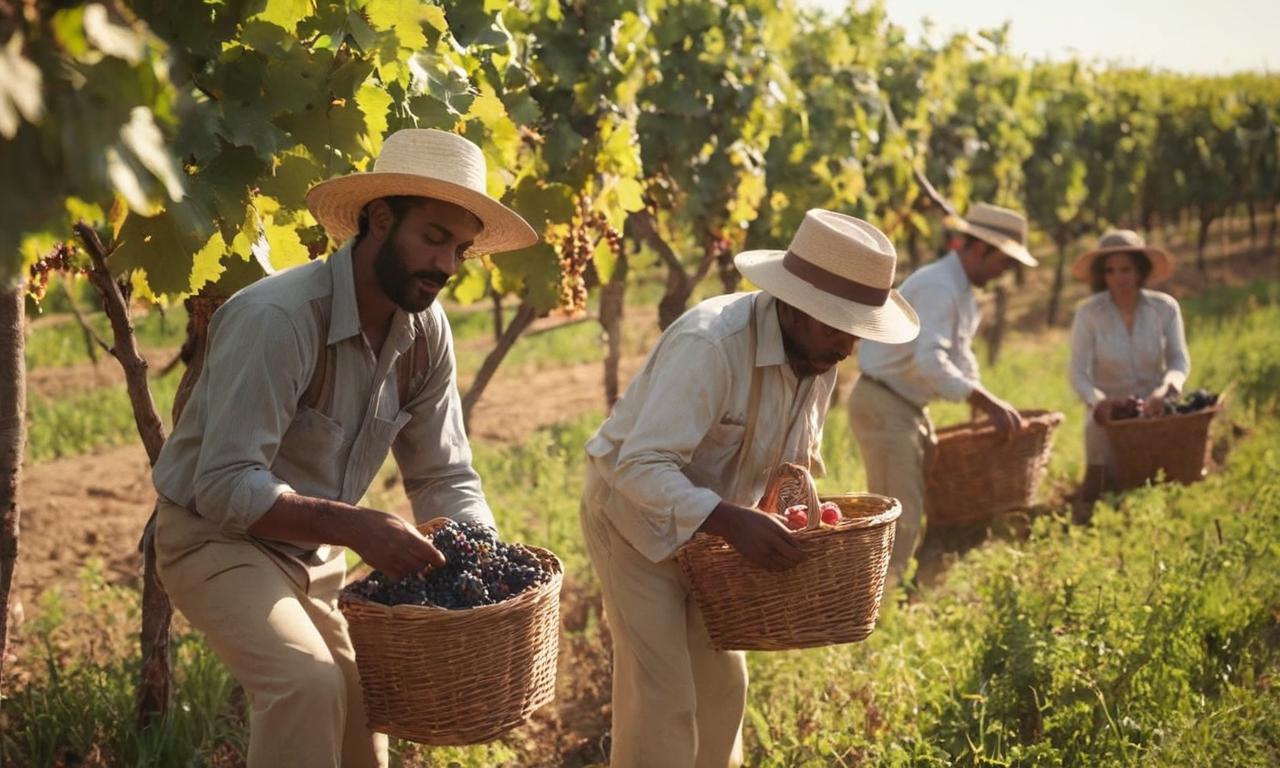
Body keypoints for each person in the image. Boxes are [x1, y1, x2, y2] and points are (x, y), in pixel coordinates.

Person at [150, 128, 538, 768]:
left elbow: (443, 472)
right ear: (380, 221)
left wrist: (482, 568)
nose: (446, 265)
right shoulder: (279, 318)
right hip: (215, 539)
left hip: (316, 553)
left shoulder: (425, 332)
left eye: (461, 250)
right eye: (434, 238)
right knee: (306, 685)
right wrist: (355, 524)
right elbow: (223, 485)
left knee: (366, 709)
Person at [580, 209, 920, 768]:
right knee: (663, 697)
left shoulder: (819, 355)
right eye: (838, 326)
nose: (847, 347)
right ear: (792, 304)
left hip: (715, 541)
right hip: (633, 519)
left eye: (855, 330)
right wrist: (732, 521)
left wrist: (790, 517)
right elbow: (641, 465)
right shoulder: (711, 345)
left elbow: (792, 461)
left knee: (722, 687)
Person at [849, 202, 1038, 583]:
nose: (1006, 272)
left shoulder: (964, 292)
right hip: (885, 403)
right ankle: (879, 609)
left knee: (913, 507)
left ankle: (898, 593)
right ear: (981, 249)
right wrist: (984, 401)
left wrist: (979, 397)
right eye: (1004, 261)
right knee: (898, 514)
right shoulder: (940, 286)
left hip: (907, 405)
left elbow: (960, 353)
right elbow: (932, 360)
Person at [1068, 229, 1187, 503]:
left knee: (1165, 480)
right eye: (1110, 271)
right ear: (1102, 275)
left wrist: (1167, 388)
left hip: (1156, 408)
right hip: (1110, 415)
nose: (1118, 278)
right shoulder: (1089, 314)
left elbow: (1179, 359)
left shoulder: (1165, 308)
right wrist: (1099, 402)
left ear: (1140, 271)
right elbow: (1077, 370)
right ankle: (1094, 498)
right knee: (1103, 482)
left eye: (1126, 269)